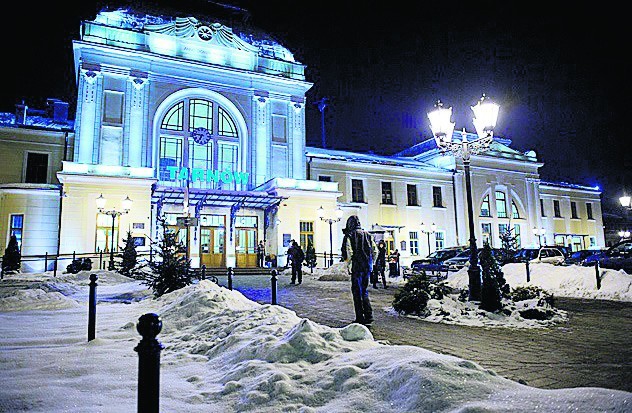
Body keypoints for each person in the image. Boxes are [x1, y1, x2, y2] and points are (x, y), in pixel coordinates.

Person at [341, 215, 377, 325]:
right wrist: (371, 263)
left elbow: (348, 252)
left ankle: (360, 317)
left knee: (357, 292)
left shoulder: (350, 235)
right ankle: (369, 316)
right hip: (367, 267)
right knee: (364, 291)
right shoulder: (368, 235)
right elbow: (375, 251)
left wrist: (349, 266)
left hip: (356, 267)